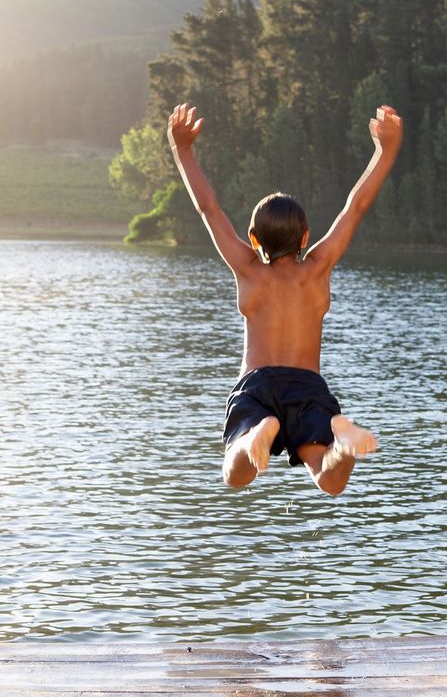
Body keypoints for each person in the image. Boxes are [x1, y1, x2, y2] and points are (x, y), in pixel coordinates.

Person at [168, 102, 403, 495]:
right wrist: (386, 151)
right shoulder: (317, 269)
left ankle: (255, 434)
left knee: (236, 474)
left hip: (257, 385)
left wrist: (183, 149)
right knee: (329, 480)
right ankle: (342, 445)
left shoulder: (248, 269)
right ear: (306, 238)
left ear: (255, 239)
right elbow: (355, 207)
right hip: (307, 386)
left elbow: (208, 208)